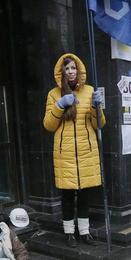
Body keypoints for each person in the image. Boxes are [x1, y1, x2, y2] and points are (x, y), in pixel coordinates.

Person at [43, 54, 106, 248]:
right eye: (67, 68)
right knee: (68, 195)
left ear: (79, 70)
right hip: (65, 154)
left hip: (87, 152)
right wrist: (60, 105)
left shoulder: (89, 91)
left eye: (73, 68)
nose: (70, 72)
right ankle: (70, 233)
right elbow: (48, 125)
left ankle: (85, 232)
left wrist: (97, 107)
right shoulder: (54, 94)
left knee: (85, 194)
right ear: (61, 72)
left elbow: (99, 124)